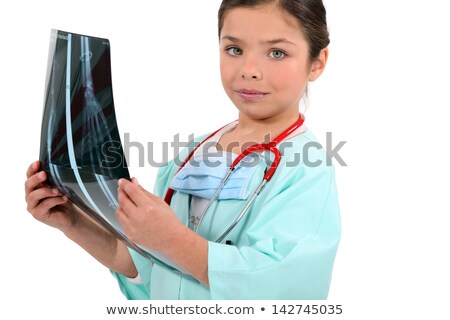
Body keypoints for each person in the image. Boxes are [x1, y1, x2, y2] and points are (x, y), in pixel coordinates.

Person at [25, 0, 340, 299]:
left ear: (317, 63)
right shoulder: (191, 154)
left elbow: (282, 287)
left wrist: (173, 240)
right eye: (234, 49)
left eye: (276, 52)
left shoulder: (307, 168)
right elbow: (152, 272)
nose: (249, 69)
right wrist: (74, 222)